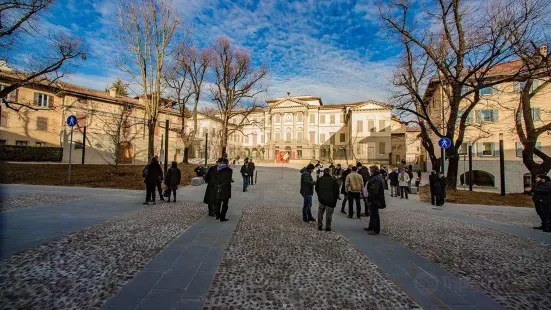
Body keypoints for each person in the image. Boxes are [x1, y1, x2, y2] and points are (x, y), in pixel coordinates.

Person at [364, 165, 386, 235]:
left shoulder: (376, 178)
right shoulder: (376, 177)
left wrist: (370, 198)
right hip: (374, 198)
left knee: (374, 214)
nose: (370, 172)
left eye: (370, 170)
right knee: (372, 214)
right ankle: (371, 227)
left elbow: (374, 190)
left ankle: (375, 230)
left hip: (375, 199)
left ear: (373, 171)